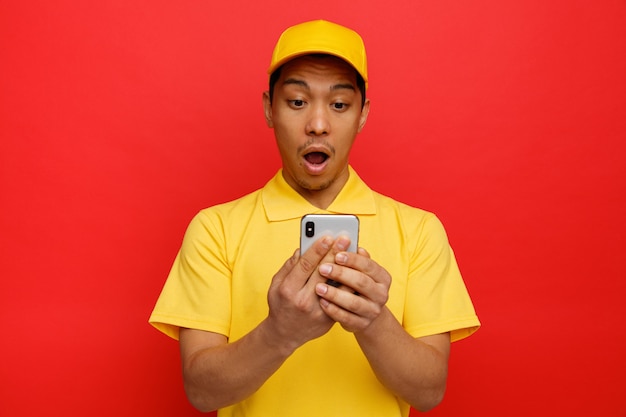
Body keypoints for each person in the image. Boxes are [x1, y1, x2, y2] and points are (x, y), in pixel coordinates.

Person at [149, 19, 480, 417]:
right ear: (269, 109)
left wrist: (373, 323)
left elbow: (429, 391)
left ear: (362, 114)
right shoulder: (215, 230)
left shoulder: (420, 231)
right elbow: (201, 391)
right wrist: (279, 333)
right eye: (297, 102)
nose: (318, 124)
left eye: (339, 105)